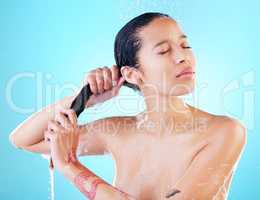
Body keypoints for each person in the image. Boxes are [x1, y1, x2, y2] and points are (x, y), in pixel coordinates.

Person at [9, 12, 247, 200]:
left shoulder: (223, 131)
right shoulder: (118, 131)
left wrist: (70, 167)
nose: (182, 57)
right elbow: (24, 140)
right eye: (164, 51)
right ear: (132, 75)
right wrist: (83, 98)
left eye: (185, 46)